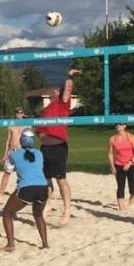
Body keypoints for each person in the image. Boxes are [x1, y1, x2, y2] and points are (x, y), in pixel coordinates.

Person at [35, 68, 82, 225]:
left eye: (56, 89)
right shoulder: (45, 110)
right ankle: (48, 205)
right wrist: (40, 135)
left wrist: (69, 75)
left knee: (61, 179)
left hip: (58, 146)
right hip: (45, 148)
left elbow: (68, 88)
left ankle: (67, 209)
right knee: (46, 179)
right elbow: (40, 129)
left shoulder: (62, 104)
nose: (53, 90)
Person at [0, 128, 49, 251]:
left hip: (27, 188)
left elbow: (8, 169)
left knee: (7, 213)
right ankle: (45, 244)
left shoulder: (14, 154)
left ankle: (11, 244)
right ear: (33, 142)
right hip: (43, 188)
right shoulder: (39, 153)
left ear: (21, 141)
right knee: (38, 215)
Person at [108, 122, 134, 211]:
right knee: (120, 186)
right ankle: (121, 207)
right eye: (116, 124)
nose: (118, 125)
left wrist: (129, 163)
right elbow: (110, 154)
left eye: (120, 124)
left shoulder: (131, 137)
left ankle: (132, 197)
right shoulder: (112, 139)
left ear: (125, 126)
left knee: (133, 188)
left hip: (132, 165)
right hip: (118, 165)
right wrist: (112, 166)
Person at [0, 106, 27, 197]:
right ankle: (1, 192)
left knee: (22, 173)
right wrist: (5, 154)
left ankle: (20, 192)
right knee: (6, 173)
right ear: (15, 114)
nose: (19, 114)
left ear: (23, 114)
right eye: (17, 113)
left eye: (21, 113)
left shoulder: (27, 124)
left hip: (22, 151)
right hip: (12, 151)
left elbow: (29, 140)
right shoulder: (11, 125)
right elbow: (8, 140)